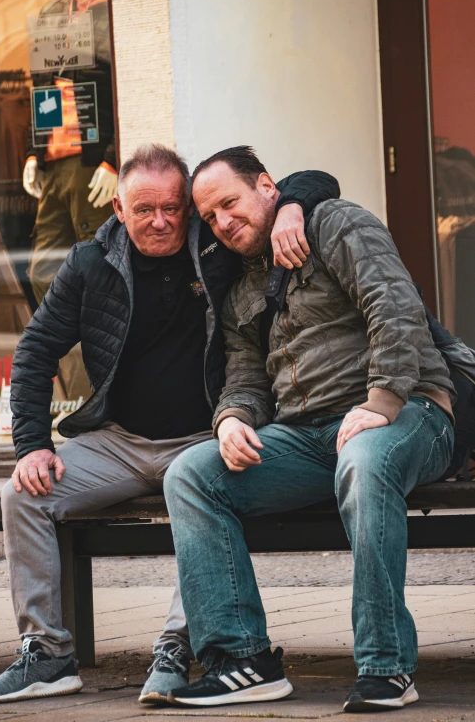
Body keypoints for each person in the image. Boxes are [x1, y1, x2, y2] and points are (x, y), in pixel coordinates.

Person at [0, 144, 339, 704]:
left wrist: (292, 206)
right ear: (119, 210)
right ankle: (47, 655)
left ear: (189, 207)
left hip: (204, 434)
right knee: (23, 495)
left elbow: (312, 177)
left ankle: (174, 647)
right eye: (144, 210)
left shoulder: (217, 247)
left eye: (173, 207)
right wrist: (30, 446)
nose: (161, 221)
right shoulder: (89, 263)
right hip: (119, 443)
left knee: (197, 490)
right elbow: (35, 351)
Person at [163, 146, 456, 712]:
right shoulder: (243, 287)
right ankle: (241, 660)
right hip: (307, 436)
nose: (223, 222)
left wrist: (382, 400)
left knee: (365, 459)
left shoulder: (333, 224)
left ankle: (385, 666)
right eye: (210, 218)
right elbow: (245, 375)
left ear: (268, 187)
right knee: (190, 475)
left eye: (229, 203)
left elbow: (392, 305)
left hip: (410, 411)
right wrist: (231, 420)